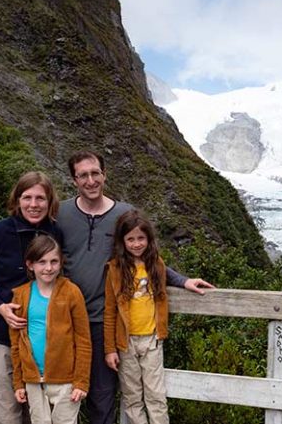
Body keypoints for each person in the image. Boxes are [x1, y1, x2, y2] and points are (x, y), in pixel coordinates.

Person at [56, 151, 214, 424]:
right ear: (74, 180)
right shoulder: (61, 213)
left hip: (106, 324)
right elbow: (40, 253)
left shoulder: (123, 214)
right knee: (58, 391)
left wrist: (182, 280)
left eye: (95, 173)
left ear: (105, 174)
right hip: (65, 318)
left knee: (103, 399)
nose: (90, 180)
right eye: (83, 175)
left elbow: (147, 258)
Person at [0, 171, 63, 424]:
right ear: (17, 199)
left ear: (50, 201)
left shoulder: (56, 234)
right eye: (26, 197)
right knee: (7, 416)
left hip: (40, 341)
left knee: (40, 417)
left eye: (40, 198)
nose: (33, 204)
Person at [10, 235, 91, 424]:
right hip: (33, 378)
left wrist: (81, 381)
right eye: (42, 262)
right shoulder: (21, 295)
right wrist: (18, 382)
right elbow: (16, 343)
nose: (48, 268)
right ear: (30, 265)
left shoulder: (71, 292)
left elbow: (83, 340)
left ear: (61, 262)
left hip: (66, 379)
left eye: (54, 261)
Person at [104, 210, 170, 424]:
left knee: (156, 396)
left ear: (149, 239)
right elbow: (110, 310)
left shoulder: (156, 265)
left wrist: (187, 281)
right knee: (132, 398)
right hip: (126, 342)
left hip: (152, 340)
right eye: (130, 239)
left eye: (141, 238)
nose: (136, 244)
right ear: (122, 241)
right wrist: (110, 348)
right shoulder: (114, 269)